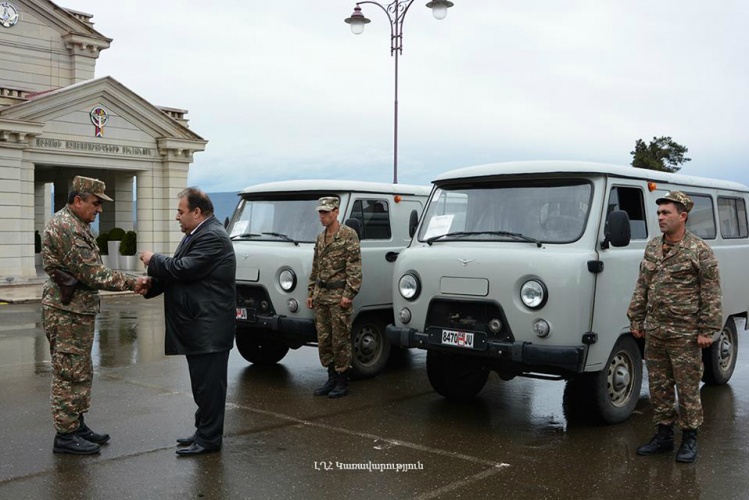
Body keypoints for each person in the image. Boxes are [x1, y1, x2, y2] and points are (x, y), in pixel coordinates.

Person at [41, 176, 149, 455]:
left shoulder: (76, 224)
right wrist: (131, 282)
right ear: (78, 200)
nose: (99, 210)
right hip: (66, 313)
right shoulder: (67, 227)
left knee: (79, 369)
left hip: (76, 310)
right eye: (96, 203)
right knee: (68, 371)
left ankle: (76, 424)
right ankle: (65, 435)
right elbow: (91, 272)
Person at [627, 190, 722, 463]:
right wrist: (635, 317)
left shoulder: (699, 250)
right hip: (656, 330)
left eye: (666, 213)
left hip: (686, 333)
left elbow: (712, 292)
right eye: (658, 213)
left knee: (688, 387)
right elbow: (643, 285)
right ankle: (664, 436)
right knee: (659, 385)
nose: (660, 218)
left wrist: (707, 329)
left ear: (683, 216)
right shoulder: (653, 246)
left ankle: (690, 438)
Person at [140, 187, 236, 456]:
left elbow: (182, 268)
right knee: (202, 386)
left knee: (210, 388)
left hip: (209, 328)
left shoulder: (213, 237)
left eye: (181, 212)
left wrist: (153, 260)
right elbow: (180, 275)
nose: (176, 217)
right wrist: (151, 286)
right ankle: (202, 431)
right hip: (199, 326)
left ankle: (209, 440)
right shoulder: (196, 234)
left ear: (197, 212)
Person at [306, 196, 362, 398]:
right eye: (320, 212)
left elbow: (354, 268)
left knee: (340, 339)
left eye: (326, 212)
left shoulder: (348, 235)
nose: (322, 216)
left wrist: (349, 294)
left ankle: (342, 380)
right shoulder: (321, 238)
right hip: (322, 296)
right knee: (324, 340)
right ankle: (331, 377)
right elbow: (315, 267)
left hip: (339, 297)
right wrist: (311, 292)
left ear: (336, 212)